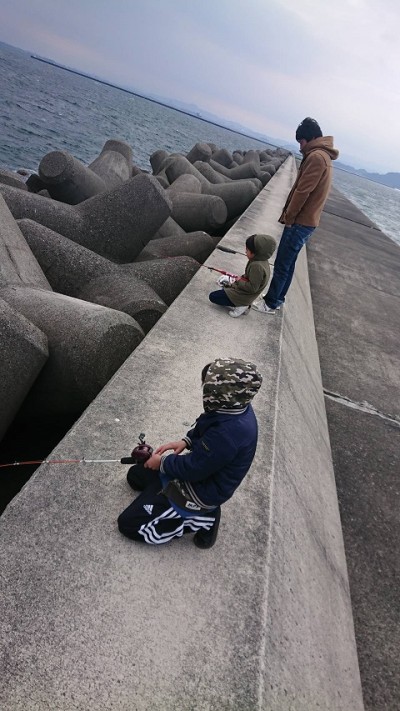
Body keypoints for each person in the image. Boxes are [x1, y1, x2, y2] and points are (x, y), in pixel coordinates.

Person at [118, 357, 262, 548]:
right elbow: (206, 423)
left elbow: (195, 468)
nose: (203, 389)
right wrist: (186, 441)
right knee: (135, 476)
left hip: (200, 492)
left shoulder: (229, 434)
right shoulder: (234, 406)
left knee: (128, 524)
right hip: (202, 469)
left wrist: (162, 463)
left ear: (222, 394)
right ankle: (163, 493)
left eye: (207, 387)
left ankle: (205, 518)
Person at [253, 117, 339, 314]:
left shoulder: (317, 157)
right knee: (289, 263)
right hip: (308, 222)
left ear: (310, 139)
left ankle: (270, 302)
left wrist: (289, 218)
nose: (300, 148)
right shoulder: (324, 156)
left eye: (301, 142)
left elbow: (303, 191)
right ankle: (278, 298)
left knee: (283, 263)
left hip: (300, 222)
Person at [208, 234, 276, 318]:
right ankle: (243, 304)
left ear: (256, 253)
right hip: (244, 291)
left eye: (247, 250)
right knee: (223, 290)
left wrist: (239, 281)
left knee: (213, 296)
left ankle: (241, 305)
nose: (245, 251)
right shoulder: (260, 260)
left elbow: (252, 288)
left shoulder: (257, 267)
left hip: (244, 296)